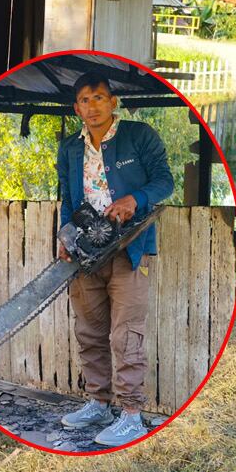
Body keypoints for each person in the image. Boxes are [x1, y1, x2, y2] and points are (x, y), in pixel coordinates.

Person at [55, 70, 173, 447]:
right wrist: (66, 236)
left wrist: (134, 199)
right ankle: (98, 402)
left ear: (113, 102)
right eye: (85, 101)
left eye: (99, 98)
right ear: (77, 108)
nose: (93, 106)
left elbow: (165, 181)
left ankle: (131, 415)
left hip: (129, 249)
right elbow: (69, 201)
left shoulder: (139, 136)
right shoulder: (70, 148)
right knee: (89, 330)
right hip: (87, 251)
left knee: (126, 335)